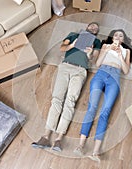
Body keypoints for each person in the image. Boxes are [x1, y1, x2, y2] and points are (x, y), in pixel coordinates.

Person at [31, 22, 102, 152]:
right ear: (86, 27)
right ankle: (46, 136)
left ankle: (59, 138)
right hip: (65, 66)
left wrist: (89, 53)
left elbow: (94, 60)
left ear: (97, 32)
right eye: (91, 26)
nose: (93, 28)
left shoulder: (97, 42)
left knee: (70, 101)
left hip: (80, 71)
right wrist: (73, 45)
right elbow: (62, 48)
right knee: (57, 99)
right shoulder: (74, 35)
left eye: (96, 28)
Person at [73, 29, 132, 162]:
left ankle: (96, 152)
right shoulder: (105, 46)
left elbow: (125, 71)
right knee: (92, 108)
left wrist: (120, 55)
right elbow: (97, 64)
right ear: (112, 37)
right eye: (116, 35)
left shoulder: (126, 51)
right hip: (101, 74)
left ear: (123, 40)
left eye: (121, 35)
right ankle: (80, 145)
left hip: (114, 77)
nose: (118, 37)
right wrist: (108, 50)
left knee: (105, 112)